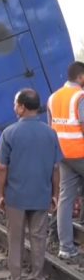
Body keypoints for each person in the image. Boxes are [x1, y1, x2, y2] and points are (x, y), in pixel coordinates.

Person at [0, 88, 61, 280]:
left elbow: (2, 168)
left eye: (16, 104)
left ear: (22, 107)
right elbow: (56, 168)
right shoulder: (50, 133)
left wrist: (0, 194)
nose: (14, 107)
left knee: (15, 238)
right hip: (41, 195)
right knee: (38, 238)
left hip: (16, 196)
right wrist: (55, 194)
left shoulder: (10, 133)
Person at [49, 61, 84, 259]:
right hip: (80, 152)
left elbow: (50, 126)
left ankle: (66, 247)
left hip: (63, 155)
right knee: (66, 197)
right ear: (81, 77)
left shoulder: (53, 97)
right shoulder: (80, 96)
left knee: (65, 198)